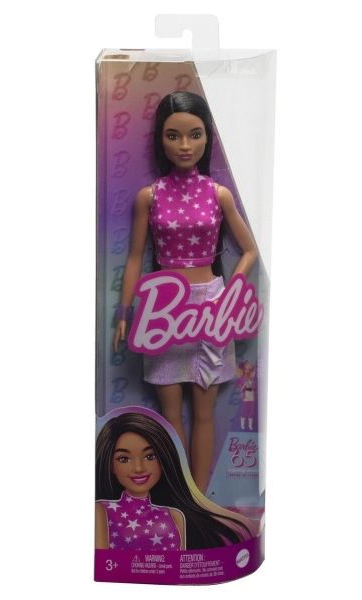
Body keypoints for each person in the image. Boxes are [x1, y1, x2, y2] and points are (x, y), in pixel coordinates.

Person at [112, 91, 258, 493]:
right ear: (160, 138)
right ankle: (182, 495)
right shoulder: (150, 196)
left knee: (205, 411)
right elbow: (135, 257)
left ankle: (201, 500)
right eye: (173, 135)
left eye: (195, 134)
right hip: (163, 311)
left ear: (208, 137)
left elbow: (249, 250)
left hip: (210, 308)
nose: (185, 145)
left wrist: (229, 295)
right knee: (170, 413)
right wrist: (124, 314)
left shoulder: (217, 194)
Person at [95, 411, 252, 550]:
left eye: (150, 456)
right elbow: (104, 561)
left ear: (163, 458)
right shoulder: (102, 511)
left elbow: (179, 563)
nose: (139, 468)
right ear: (110, 465)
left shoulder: (175, 515)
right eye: (123, 459)